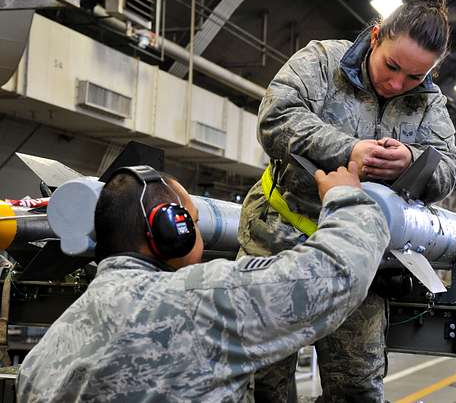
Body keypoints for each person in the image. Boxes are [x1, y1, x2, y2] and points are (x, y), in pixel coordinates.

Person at [238, 0, 456, 402]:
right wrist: (348, 149)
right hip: (278, 242)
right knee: (262, 382)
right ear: (376, 37)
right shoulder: (321, 63)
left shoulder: (430, 103)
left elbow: (450, 166)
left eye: (416, 76)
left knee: (357, 386)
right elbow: (275, 118)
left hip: (360, 261)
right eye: (392, 66)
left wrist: (412, 161)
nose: (398, 84)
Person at [15, 163, 390, 402]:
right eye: (193, 223)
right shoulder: (197, 301)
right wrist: (347, 199)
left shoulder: (44, 354)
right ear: (167, 230)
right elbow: (334, 275)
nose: (201, 236)